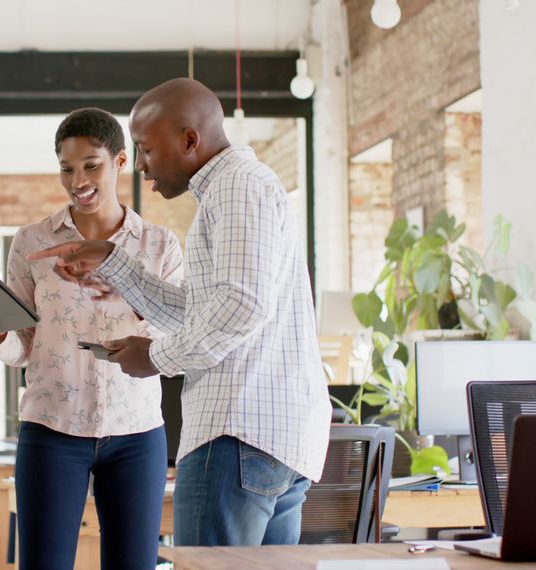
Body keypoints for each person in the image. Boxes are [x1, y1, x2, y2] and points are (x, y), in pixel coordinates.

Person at [29, 78, 332, 547]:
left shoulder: (236, 187)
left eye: (146, 150)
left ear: (190, 139)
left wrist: (156, 358)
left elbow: (241, 305)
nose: (143, 167)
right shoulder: (238, 188)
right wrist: (112, 261)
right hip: (270, 439)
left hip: (237, 432)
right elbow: (201, 310)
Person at [0, 108, 182, 569]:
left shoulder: (160, 246)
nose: (77, 179)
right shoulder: (32, 242)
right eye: (67, 168)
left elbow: (174, 337)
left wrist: (126, 288)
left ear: (120, 161)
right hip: (51, 428)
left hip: (136, 431)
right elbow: (24, 343)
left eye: (91, 165)